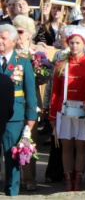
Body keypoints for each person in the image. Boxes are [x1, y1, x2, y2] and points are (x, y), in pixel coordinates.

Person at [48, 29, 85, 191]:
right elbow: (55, 91)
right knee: (67, 145)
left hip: (83, 109)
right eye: (71, 43)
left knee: (81, 145)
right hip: (64, 110)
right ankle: (68, 178)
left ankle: (78, 178)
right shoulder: (61, 64)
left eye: (78, 43)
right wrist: (52, 114)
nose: (74, 46)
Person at [0, 24, 38, 196]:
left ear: (14, 40)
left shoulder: (21, 60)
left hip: (13, 115)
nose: (0, 41)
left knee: (12, 154)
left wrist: (31, 116)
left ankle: (12, 189)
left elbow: (30, 89)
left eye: (3, 38)